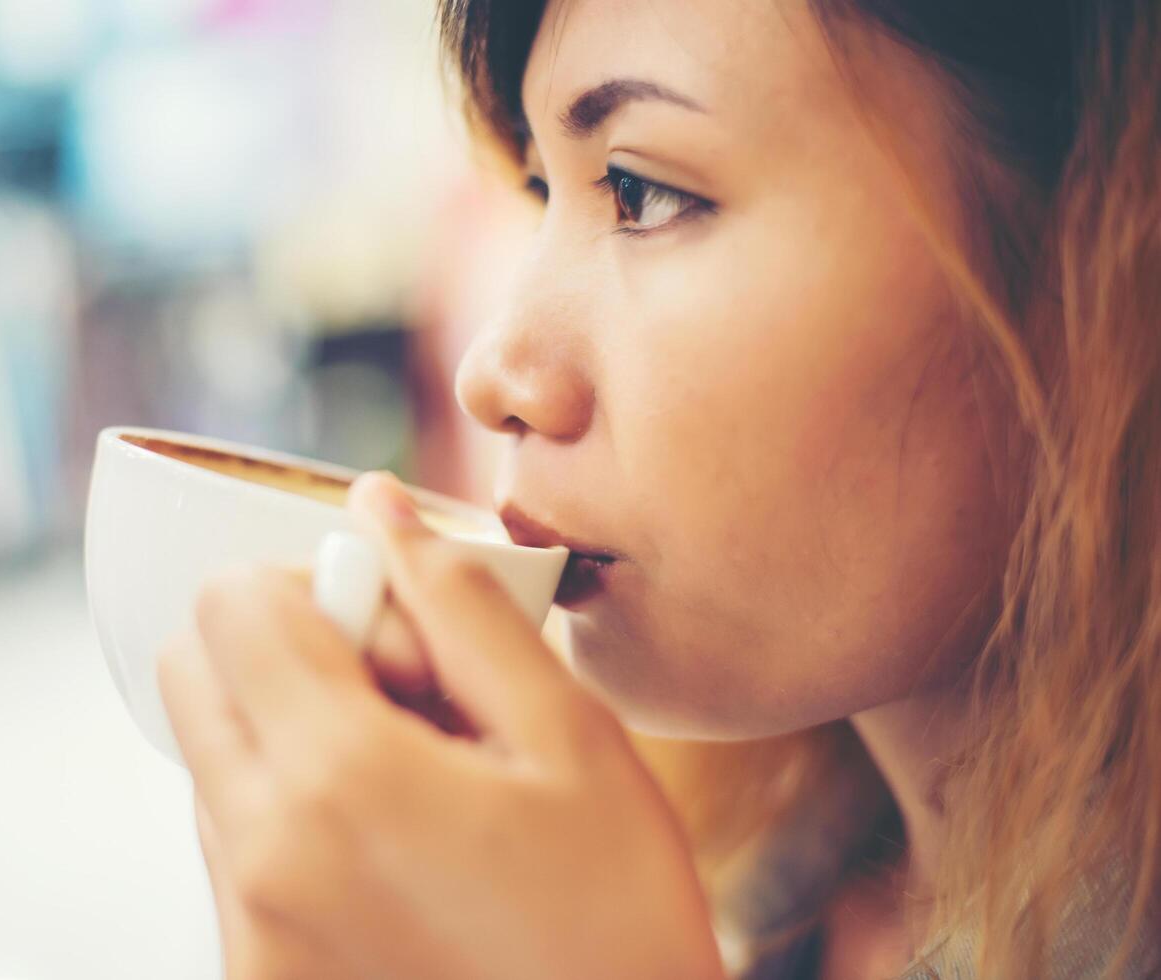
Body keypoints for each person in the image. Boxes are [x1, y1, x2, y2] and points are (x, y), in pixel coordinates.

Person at [156, 0, 1161, 976]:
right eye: (544, 192)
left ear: (1100, 245)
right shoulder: (779, 885)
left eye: (640, 192)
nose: (493, 373)